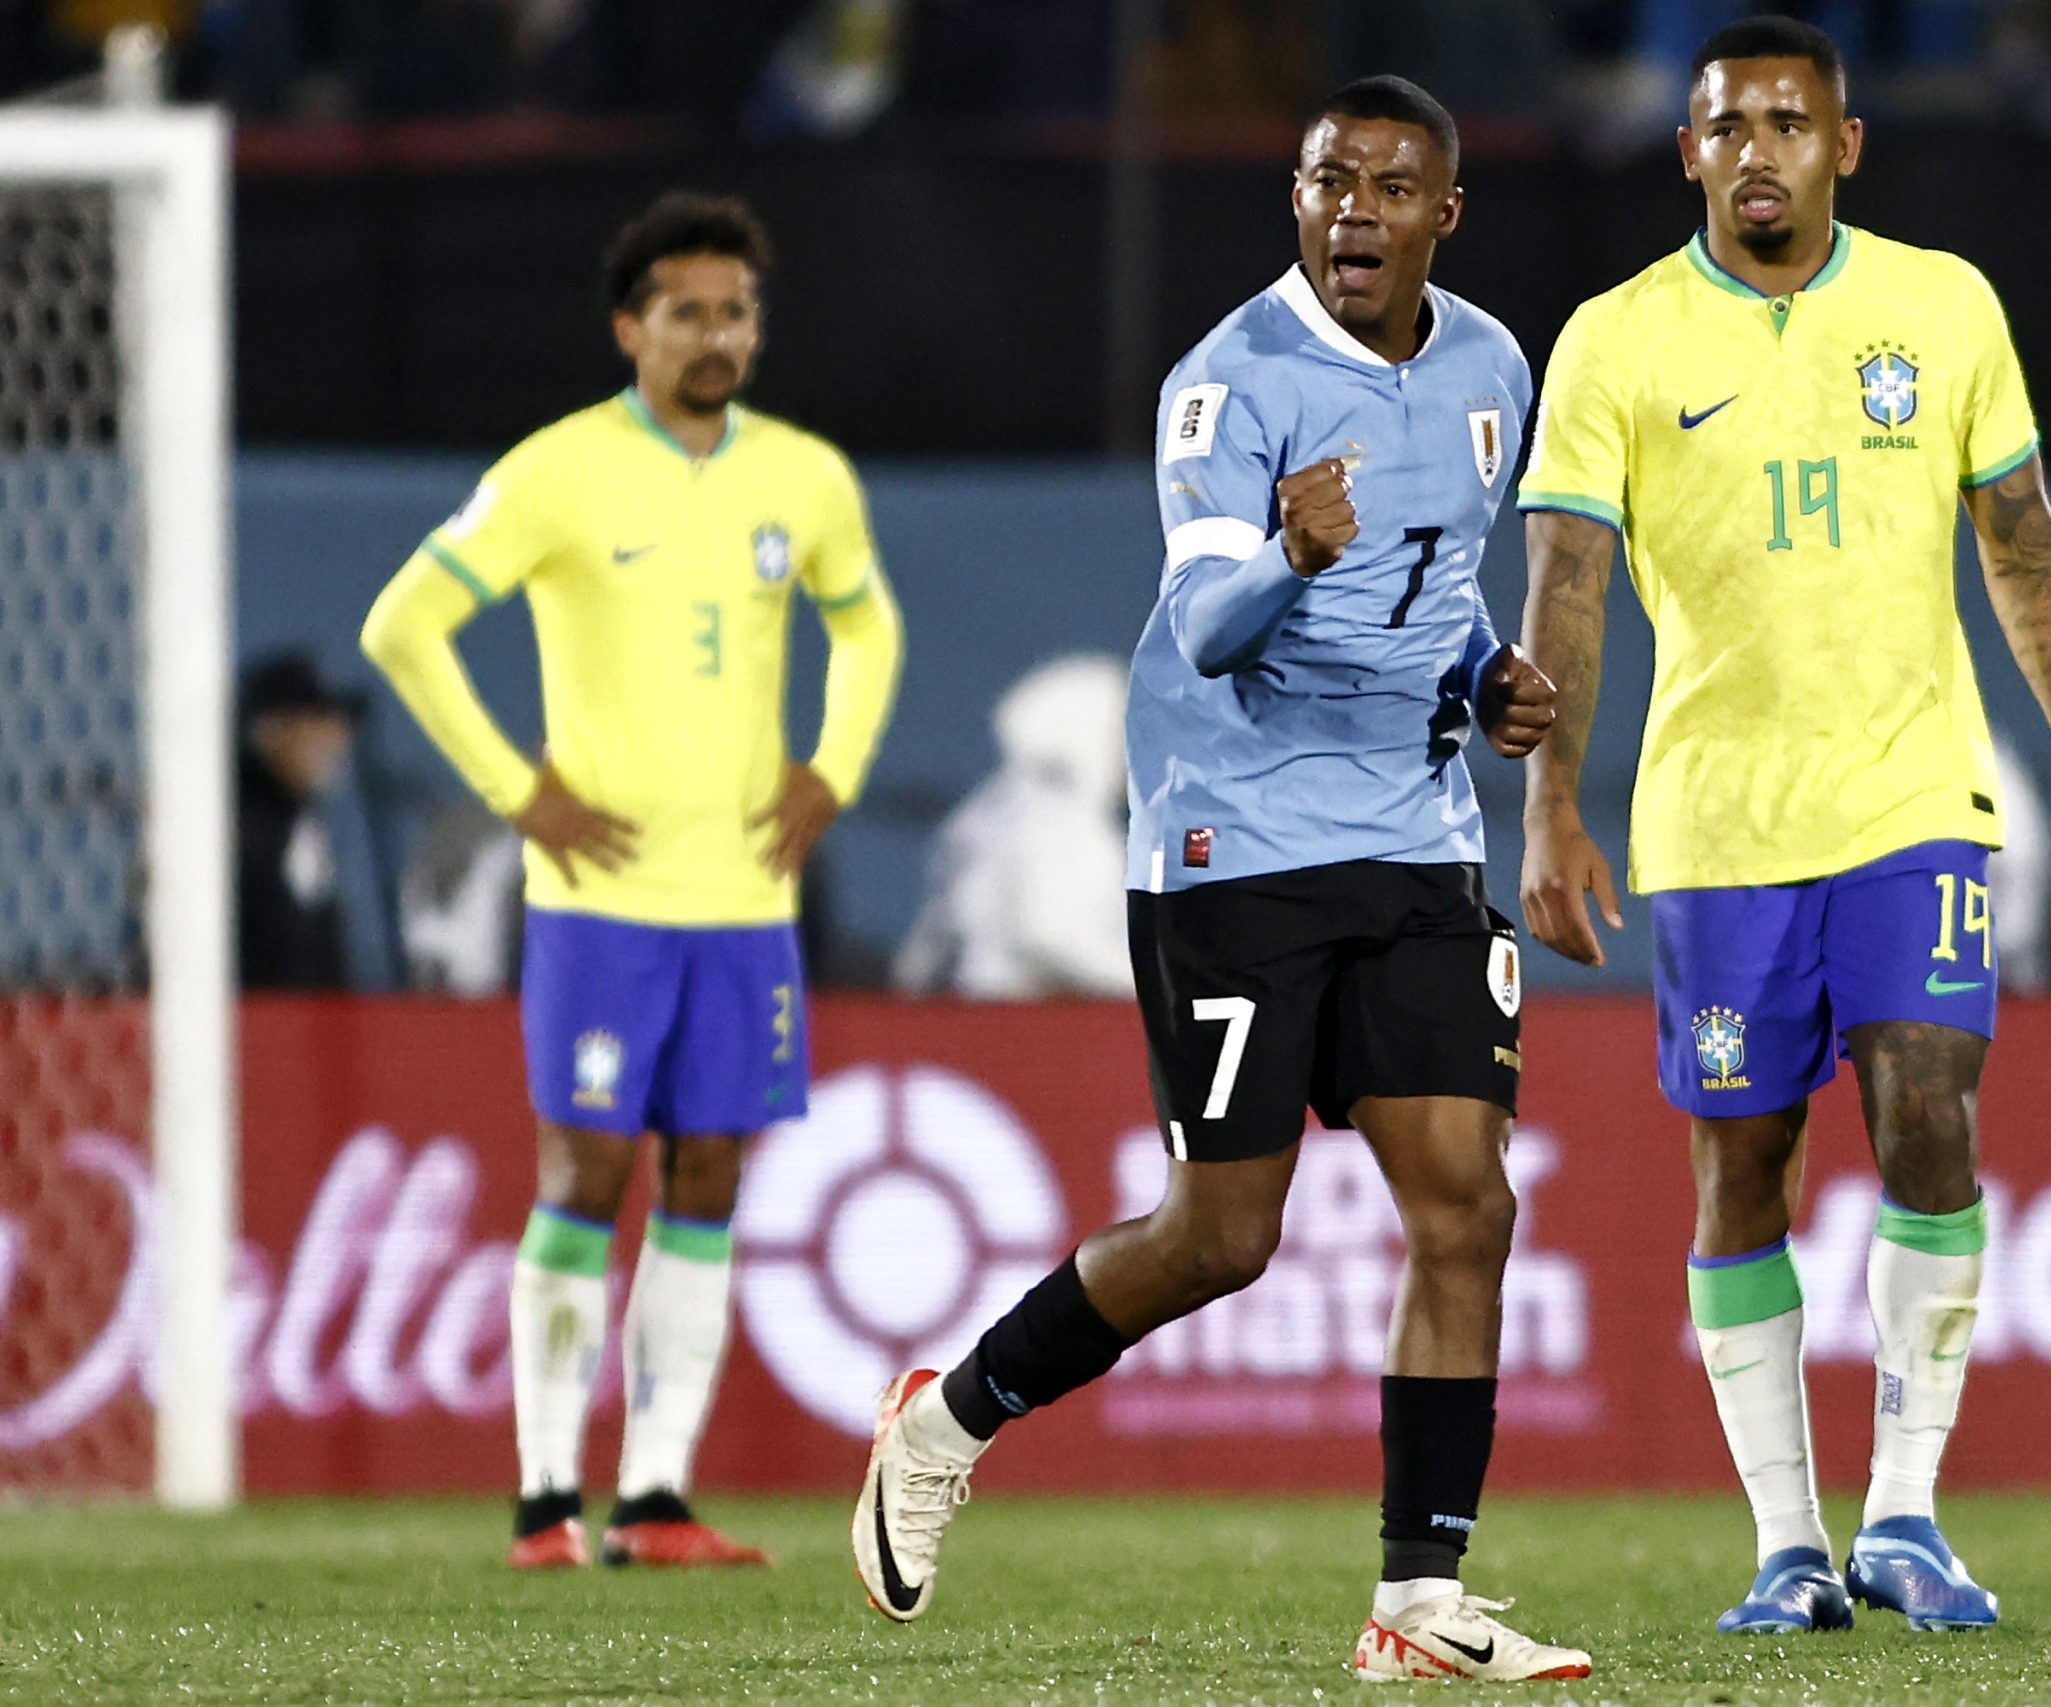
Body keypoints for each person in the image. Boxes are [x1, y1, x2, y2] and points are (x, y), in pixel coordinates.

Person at [848, 77, 1591, 1685]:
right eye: (1331, 182)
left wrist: (1491, 680)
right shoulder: (1228, 382)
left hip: (1414, 833)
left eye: (1393, 188)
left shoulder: (1487, 364)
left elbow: (1444, 583)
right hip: (1233, 837)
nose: (1356, 213)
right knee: (1220, 1234)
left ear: (1443, 215)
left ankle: (1419, 1598)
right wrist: (1287, 556)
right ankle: (947, 1416)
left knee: (1468, 1204)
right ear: (1299, 199)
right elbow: (1206, 630)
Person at [1515, 15, 2051, 1635]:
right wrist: (1549, 814)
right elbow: (1567, 589)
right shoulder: (1617, 340)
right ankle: (1787, 1542)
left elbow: (2016, 534)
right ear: (1690, 154)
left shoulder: (1939, 307)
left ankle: (1907, 1516)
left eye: (1791, 122)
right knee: (1746, 1162)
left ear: (1845, 145)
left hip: (1914, 790)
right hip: (1716, 820)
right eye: (1729, 126)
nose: (1760, 151)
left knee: (1928, 1101)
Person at [358, 191, 904, 1570]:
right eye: (686, 312)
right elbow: (403, 624)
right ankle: (547, 1497)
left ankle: (654, 1495)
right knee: (587, 1168)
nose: (716, 335)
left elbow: (868, 619)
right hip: (598, 897)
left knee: (708, 1171)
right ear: (630, 326)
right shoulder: (556, 471)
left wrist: (831, 767)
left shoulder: (806, 477)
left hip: (744, 901)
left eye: (735, 311)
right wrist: (516, 790)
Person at [891, 652, 1137, 1001]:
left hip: (960, 1016)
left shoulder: (993, 807)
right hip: (1008, 1024)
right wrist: (1156, 987)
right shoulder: (1057, 815)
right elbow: (1051, 935)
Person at [236, 650, 360, 990]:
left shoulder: (298, 821)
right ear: (272, 731)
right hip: (255, 1034)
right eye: (318, 721)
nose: (338, 737)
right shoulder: (237, 828)